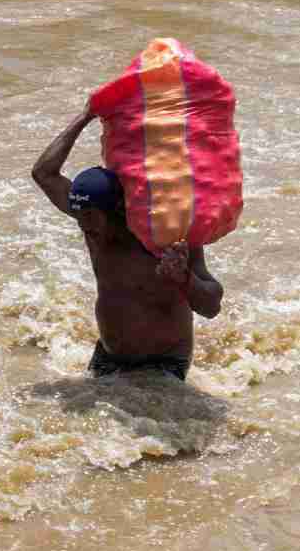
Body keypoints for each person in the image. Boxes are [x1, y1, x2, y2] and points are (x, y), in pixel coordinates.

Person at [30, 111, 223, 380]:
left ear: (117, 209)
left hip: (166, 361)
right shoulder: (87, 218)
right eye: (78, 216)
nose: (83, 227)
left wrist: (184, 278)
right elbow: (43, 172)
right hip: (110, 354)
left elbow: (211, 306)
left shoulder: (166, 234)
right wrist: (86, 116)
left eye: (90, 218)